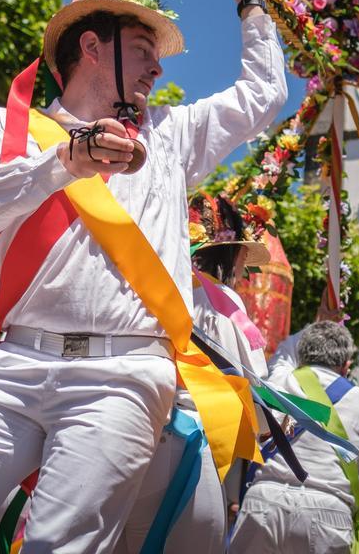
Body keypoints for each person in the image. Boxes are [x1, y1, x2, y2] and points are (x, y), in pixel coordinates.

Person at [0, 0, 287, 552]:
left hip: (122, 376)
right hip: (9, 368)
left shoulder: (170, 136)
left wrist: (252, 7)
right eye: (143, 50)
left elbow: (263, 95)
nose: (158, 68)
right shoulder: (1, 129)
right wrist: (64, 161)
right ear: (91, 46)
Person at [115, 192, 270, 553]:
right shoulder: (221, 299)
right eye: (242, 256)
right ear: (230, 254)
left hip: (129, 431)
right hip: (187, 443)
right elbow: (252, 381)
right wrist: (270, 424)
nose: (244, 269)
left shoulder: (148, 289)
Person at [231, 321, 359, 553]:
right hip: (328, 511)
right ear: (346, 366)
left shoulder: (279, 379)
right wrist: (353, 502)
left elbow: (285, 350)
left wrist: (318, 320)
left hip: (263, 502)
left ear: (301, 356)